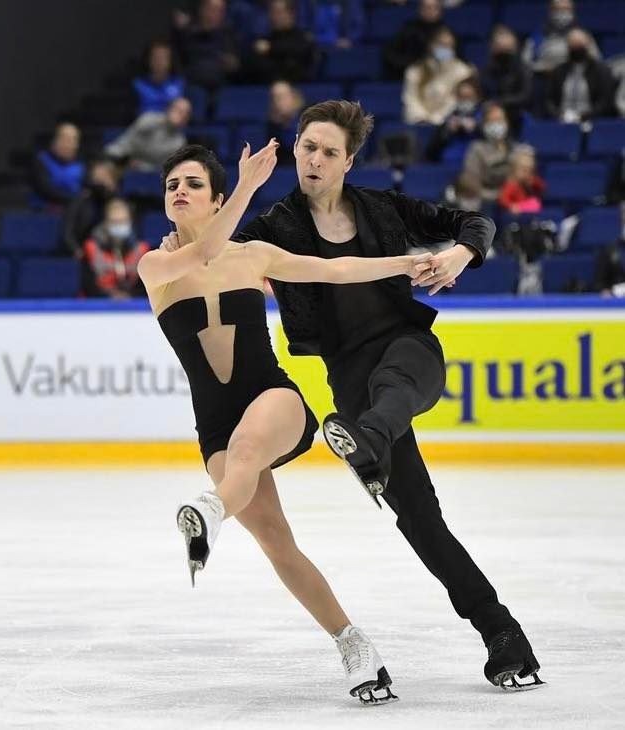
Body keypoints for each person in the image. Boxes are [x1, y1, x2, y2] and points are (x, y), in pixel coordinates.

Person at [162, 100, 544, 690]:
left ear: (348, 160)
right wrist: (207, 217)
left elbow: (476, 223)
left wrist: (455, 254)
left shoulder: (384, 208)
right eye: (307, 147)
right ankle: (502, 634)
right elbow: (218, 249)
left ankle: (363, 439)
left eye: (329, 151)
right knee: (420, 521)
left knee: (391, 386)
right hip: (349, 380)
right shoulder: (272, 228)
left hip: (406, 349)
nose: (315, 159)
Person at [139, 142, 435, 703]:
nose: (179, 191)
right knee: (277, 542)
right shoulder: (155, 266)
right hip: (215, 424)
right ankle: (354, 645)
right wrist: (249, 187)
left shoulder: (253, 257)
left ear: (218, 198)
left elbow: (335, 268)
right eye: (171, 184)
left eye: (193, 184)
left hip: (275, 401)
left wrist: (403, 262)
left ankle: (208, 508)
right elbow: (199, 258)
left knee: (249, 449)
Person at [461, 103, 532, 204]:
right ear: (484, 125)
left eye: (499, 120)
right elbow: (471, 181)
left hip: (511, 200)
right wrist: (494, 196)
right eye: (492, 121)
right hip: (485, 200)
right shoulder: (477, 148)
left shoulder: (517, 149)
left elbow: (525, 181)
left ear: (506, 123)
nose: (496, 125)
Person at [403, 26, 473, 125]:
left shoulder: (463, 71)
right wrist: (422, 117)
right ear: (431, 45)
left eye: (449, 45)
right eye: (441, 44)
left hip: (447, 123)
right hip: (418, 122)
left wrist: (436, 119)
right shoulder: (415, 70)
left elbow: (455, 101)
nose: (445, 49)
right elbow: (410, 98)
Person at [545, 28, 616, 122]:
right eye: (573, 45)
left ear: (587, 45)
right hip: (561, 120)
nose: (576, 48)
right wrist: (559, 115)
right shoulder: (559, 71)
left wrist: (585, 116)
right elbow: (549, 100)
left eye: (579, 45)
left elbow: (606, 101)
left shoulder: (601, 70)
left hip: (592, 121)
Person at [83, 198, 149, 299]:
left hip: (134, 306)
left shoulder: (141, 250)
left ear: (130, 222)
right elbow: (87, 284)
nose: (119, 226)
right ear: (106, 223)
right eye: (114, 222)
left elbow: (146, 285)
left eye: (123, 221)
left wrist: (129, 296)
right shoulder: (91, 248)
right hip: (98, 306)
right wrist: (111, 296)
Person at [105, 97, 192, 171]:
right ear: (169, 109)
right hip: (119, 159)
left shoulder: (179, 142)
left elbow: (163, 168)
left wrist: (140, 165)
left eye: (187, 113)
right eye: (179, 111)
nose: (183, 115)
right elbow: (126, 144)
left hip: (145, 173)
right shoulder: (149, 120)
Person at [243, 0, 319, 84]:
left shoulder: (302, 39)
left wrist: (270, 48)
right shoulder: (263, 40)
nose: (274, 17)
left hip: (300, 89)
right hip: (264, 90)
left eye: (278, 12)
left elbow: (300, 52)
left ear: (291, 14)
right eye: (272, 12)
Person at [172, 0, 240, 91]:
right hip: (192, 86)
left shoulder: (228, 35)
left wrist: (231, 63)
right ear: (202, 10)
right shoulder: (186, 33)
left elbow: (233, 63)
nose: (216, 14)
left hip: (221, 86)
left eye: (221, 11)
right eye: (213, 9)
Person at [61, 158, 121, 257]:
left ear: (114, 182)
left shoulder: (121, 204)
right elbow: (67, 234)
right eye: (96, 179)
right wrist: (79, 253)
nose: (100, 184)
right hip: (85, 256)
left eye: (104, 178)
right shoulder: (79, 202)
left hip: (114, 256)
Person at [523, 0, 600, 74]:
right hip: (544, 80)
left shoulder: (584, 37)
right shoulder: (538, 36)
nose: (562, 14)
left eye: (566, 9)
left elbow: (597, 62)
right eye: (557, 9)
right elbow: (524, 63)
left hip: (575, 81)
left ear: (572, 11)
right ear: (550, 11)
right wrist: (540, 68)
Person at [480, 25, 532, 134]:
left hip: (515, 116)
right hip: (489, 115)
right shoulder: (487, 70)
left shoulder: (522, 69)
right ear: (493, 48)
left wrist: (500, 102)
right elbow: (483, 92)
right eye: (500, 48)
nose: (504, 53)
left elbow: (525, 96)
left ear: (515, 48)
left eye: (508, 49)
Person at [383, 0, 448, 81]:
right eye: (427, 7)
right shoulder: (407, 30)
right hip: (411, 75)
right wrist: (410, 66)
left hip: (441, 77)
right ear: (420, 9)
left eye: (434, 8)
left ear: (440, 11)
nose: (430, 11)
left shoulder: (447, 33)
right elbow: (392, 54)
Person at [29, 122, 85, 210]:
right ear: (55, 141)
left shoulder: (82, 164)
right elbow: (45, 190)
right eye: (64, 138)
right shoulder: (41, 161)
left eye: (72, 140)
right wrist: (74, 199)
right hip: (43, 214)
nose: (68, 144)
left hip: (75, 213)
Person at [425, 77, 482, 163]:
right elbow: (430, 152)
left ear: (477, 97)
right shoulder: (449, 118)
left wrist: (477, 128)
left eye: (469, 97)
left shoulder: (485, 116)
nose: (465, 101)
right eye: (462, 97)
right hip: (449, 164)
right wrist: (447, 132)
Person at [132, 39, 185, 115]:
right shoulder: (137, 84)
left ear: (170, 60)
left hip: (171, 123)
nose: (159, 61)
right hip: (145, 123)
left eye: (163, 57)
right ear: (148, 60)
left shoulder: (179, 83)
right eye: (156, 57)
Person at [267, 80, 305, 165]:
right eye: (277, 97)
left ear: (294, 96)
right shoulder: (272, 126)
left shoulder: (309, 117)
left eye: (285, 96)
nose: (281, 101)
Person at [498, 149, 546, 214]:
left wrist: (534, 181)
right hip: (517, 213)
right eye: (524, 170)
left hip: (529, 211)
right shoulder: (511, 184)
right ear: (514, 170)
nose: (527, 173)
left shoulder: (532, 181)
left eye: (530, 170)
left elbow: (543, 188)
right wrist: (511, 206)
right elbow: (502, 199)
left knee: (535, 202)